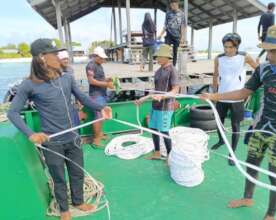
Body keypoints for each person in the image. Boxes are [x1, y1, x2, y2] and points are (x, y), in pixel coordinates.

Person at [7, 38, 112, 220]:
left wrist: (100, 107)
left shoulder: (67, 78)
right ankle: (64, 209)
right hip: (53, 141)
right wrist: (31, 134)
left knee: (77, 173)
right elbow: (13, 113)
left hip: (74, 137)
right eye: (54, 54)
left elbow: (83, 98)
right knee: (58, 178)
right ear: (41, 58)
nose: (59, 57)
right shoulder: (29, 85)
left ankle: (78, 201)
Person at [200, 24, 276, 220]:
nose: (268, 56)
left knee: (275, 175)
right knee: (252, 164)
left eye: (273, 51)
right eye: (266, 51)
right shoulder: (264, 69)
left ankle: (270, 215)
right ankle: (247, 197)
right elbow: (243, 92)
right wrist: (215, 96)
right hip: (261, 127)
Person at [211, 33, 258, 166]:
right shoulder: (218, 58)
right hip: (221, 96)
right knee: (218, 122)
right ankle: (221, 140)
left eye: (231, 47)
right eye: (225, 47)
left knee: (235, 126)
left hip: (237, 98)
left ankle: (232, 153)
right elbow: (215, 75)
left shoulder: (244, 57)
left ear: (236, 46)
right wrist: (214, 93)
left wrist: (249, 87)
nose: (227, 50)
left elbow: (259, 70)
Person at [135, 44, 179, 160]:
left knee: (164, 132)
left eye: (159, 56)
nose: (157, 59)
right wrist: (143, 99)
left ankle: (170, 156)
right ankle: (157, 152)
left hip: (165, 107)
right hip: (155, 106)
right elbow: (154, 90)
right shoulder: (158, 71)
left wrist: (163, 97)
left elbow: (175, 90)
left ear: (166, 57)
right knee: (153, 129)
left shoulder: (172, 70)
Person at [86, 46, 114, 147]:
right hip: (96, 95)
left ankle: (100, 134)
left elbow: (100, 78)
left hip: (102, 94)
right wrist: (107, 84)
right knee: (98, 117)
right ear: (95, 56)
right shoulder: (91, 66)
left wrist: (107, 79)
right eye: (101, 58)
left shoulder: (99, 65)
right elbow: (91, 81)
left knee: (101, 116)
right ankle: (96, 139)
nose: (103, 60)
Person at [158, 0, 186, 66]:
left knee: (175, 52)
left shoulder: (182, 14)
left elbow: (183, 26)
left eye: (174, 5)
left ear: (177, 4)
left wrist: (182, 37)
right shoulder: (168, 13)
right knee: (165, 50)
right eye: (171, 6)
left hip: (177, 36)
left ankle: (173, 66)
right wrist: (160, 34)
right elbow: (165, 25)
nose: (172, 7)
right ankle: (164, 65)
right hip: (169, 35)